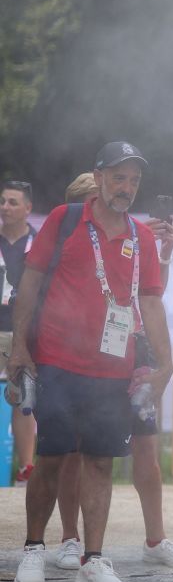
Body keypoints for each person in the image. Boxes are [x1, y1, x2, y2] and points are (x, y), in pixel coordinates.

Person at [7, 142, 173, 582]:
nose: (126, 188)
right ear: (98, 177)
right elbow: (31, 282)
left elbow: (152, 301)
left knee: (101, 461)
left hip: (112, 368)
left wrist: (166, 362)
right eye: (118, 177)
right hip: (58, 360)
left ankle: (93, 559)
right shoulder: (64, 220)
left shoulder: (140, 237)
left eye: (134, 180)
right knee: (53, 457)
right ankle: (34, 550)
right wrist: (20, 348)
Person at [48, 174, 173, 572]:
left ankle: (156, 539)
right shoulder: (70, 236)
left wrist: (161, 251)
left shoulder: (134, 237)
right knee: (75, 450)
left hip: (133, 349)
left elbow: (151, 295)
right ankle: (68, 539)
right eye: (92, 200)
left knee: (147, 446)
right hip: (83, 355)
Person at [1, 179, 38, 483]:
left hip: (24, 331)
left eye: (13, 202)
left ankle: (26, 468)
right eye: (2, 201)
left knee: (23, 399)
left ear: (28, 208)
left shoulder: (38, 243)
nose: (5, 207)